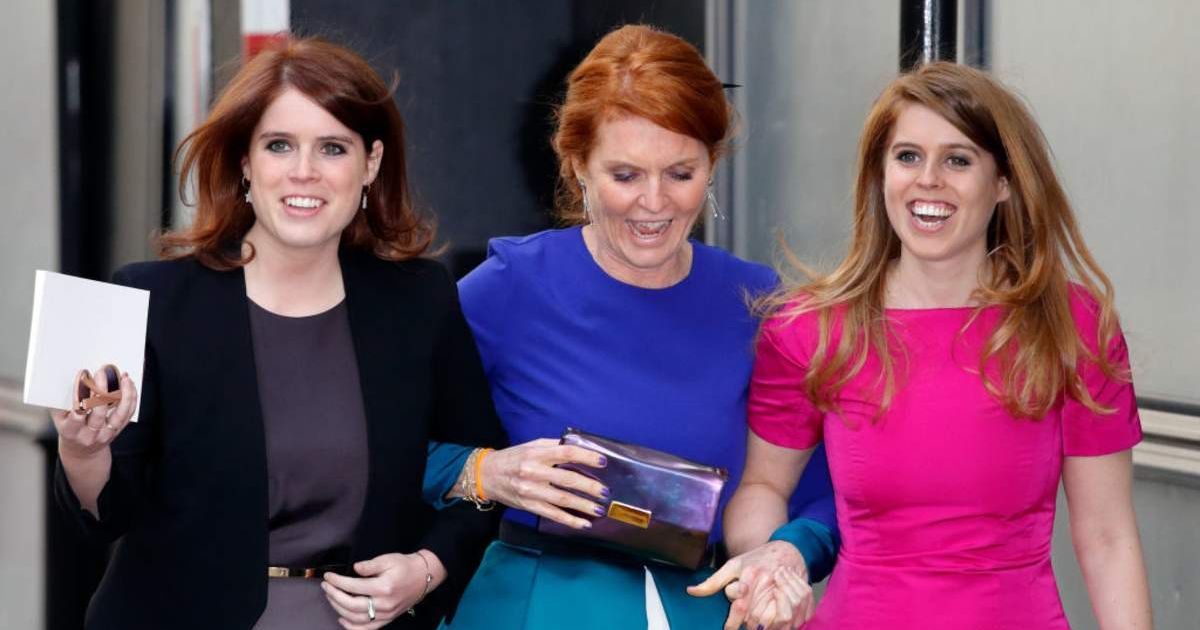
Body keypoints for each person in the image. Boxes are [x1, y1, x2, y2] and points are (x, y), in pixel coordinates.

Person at [52, 37, 506, 630]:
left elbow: (483, 476)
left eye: (333, 148)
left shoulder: (419, 300)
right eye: (279, 145)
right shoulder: (155, 299)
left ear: (370, 163)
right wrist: (83, 449)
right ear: (245, 162)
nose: (304, 172)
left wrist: (427, 568)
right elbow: (106, 515)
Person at [698, 61, 1152, 629]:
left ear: (1004, 181)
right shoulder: (808, 329)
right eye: (907, 156)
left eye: (958, 160)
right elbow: (764, 485)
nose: (928, 179)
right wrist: (770, 559)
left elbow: (1107, 538)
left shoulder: (1072, 325)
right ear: (880, 174)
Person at [437, 25, 838, 630]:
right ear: (577, 167)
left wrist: (789, 553)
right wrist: (485, 473)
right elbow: (376, 450)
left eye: (681, 173)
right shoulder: (506, 289)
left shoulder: (759, 304)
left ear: (712, 164)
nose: (654, 203)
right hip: (536, 609)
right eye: (625, 175)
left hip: (706, 611)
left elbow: (835, 483)